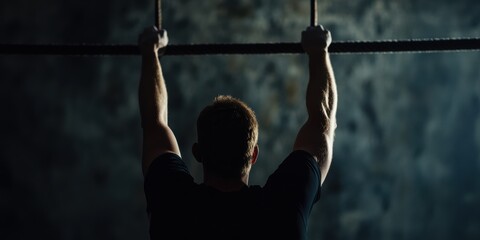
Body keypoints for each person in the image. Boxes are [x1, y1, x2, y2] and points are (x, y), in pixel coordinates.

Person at [138, 25, 337, 240]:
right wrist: (319, 50)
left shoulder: (174, 205)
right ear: (253, 155)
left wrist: (151, 51)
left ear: (198, 153)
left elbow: (154, 123)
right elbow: (321, 123)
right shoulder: (283, 207)